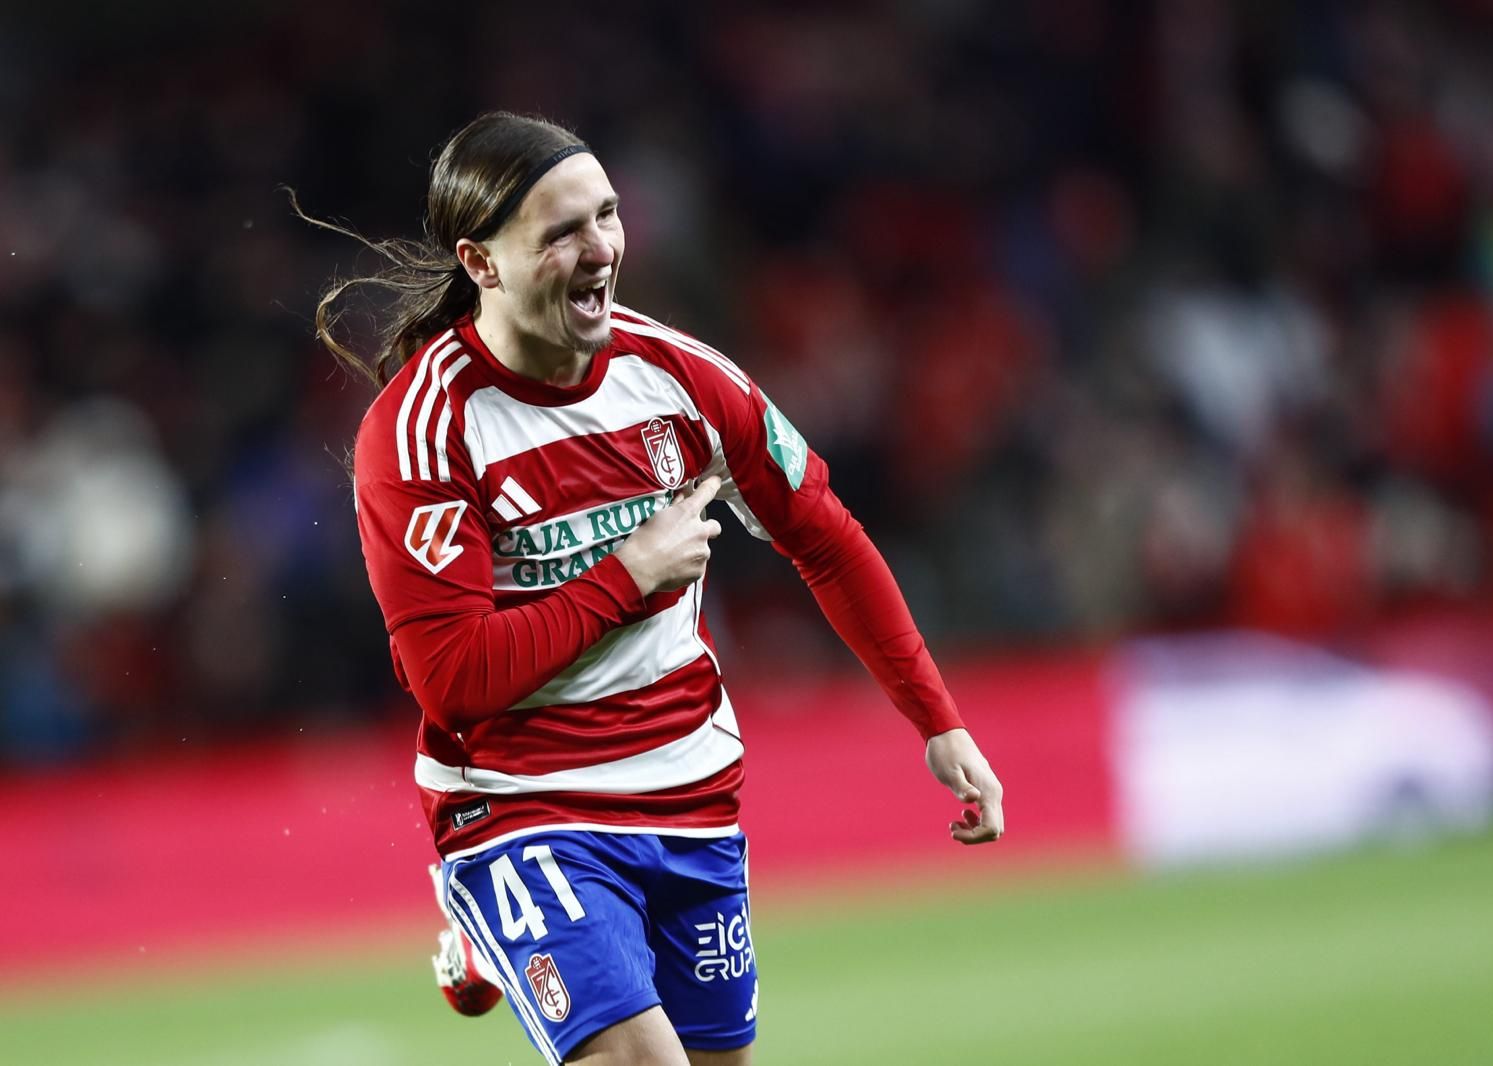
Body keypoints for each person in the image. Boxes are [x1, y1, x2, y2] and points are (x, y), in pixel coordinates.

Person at [299, 110, 1005, 1066]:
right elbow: (452, 679)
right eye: (561, 231)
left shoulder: (681, 379)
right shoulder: (422, 429)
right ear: (482, 261)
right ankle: (498, 908)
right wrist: (629, 575)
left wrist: (938, 719)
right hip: (523, 800)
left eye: (607, 215)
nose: (601, 249)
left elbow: (826, 539)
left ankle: (494, 945)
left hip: (690, 790)